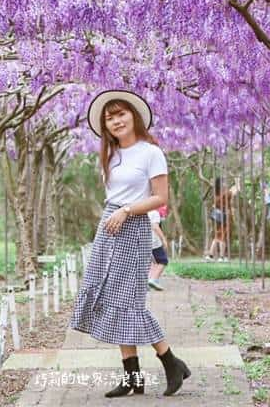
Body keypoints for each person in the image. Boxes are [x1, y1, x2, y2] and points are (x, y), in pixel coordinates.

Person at [70, 90, 192, 398]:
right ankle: (133, 377)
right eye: (109, 118)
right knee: (113, 298)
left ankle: (170, 362)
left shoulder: (151, 152)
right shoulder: (110, 155)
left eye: (121, 114)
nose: (116, 121)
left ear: (134, 116)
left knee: (129, 302)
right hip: (109, 227)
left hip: (134, 226)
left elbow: (160, 198)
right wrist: (116, 212)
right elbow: (112, 197)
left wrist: (127, 210)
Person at [205, 177, 239, 261]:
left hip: (217, 217)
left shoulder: (217, 194)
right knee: (223, 236)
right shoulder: (225, 194)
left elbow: (232, 190)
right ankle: (221, 257)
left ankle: (210, 256)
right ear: (221, 184)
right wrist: (237, 181)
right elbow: (237, 190)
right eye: (224, 182)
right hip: (224, 217)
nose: (226, 183)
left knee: (217, 236)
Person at [148, 203, 169, 291]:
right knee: (163, 260)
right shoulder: (155, 213)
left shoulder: (147, 211)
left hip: (146, 241)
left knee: (152, 262)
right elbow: (155, 227)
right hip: (154, 242)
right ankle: (154, 279)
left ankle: (147, 281)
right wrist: (163, 239)